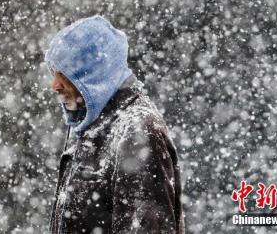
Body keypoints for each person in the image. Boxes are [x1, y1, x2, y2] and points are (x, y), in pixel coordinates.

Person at [44, 15, 184, 234]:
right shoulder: (92, 127)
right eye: (55, 73)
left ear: (93, 73)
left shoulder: (137, 130)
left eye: (65, 73)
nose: (55, 85)